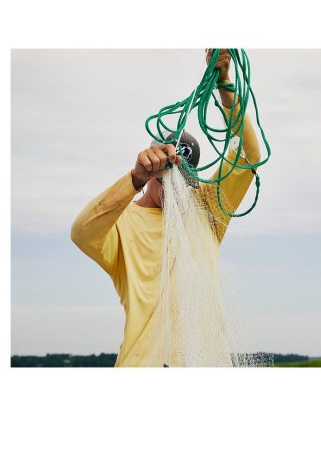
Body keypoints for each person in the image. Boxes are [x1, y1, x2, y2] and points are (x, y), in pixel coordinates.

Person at [70, 49, 261, 367]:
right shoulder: (122, 222)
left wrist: (224, 85)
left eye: (183, 181)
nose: (175, 191)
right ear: (151, 173)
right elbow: (81, 232)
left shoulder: (207, 210)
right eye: (165, 179)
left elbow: (248, 155)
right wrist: (132, 179)